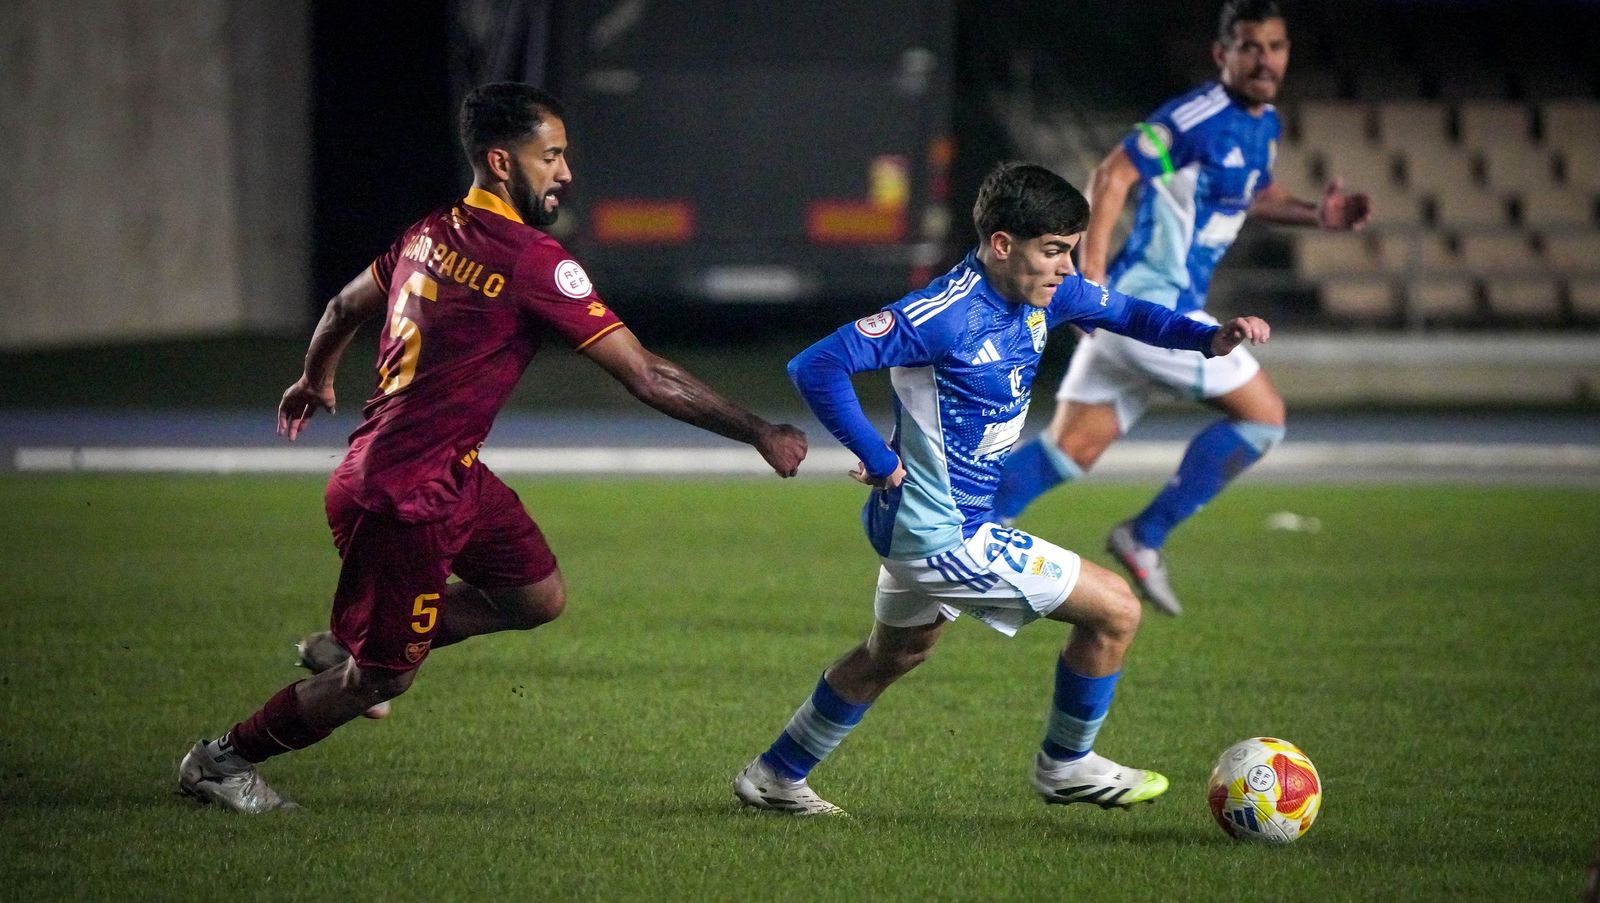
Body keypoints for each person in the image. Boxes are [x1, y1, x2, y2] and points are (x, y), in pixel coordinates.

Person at [177, 82, 808, 813]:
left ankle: (355, 640)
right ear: (502, 163)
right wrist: (760, 431)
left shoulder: (426, 233)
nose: (566, 173)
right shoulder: (531, 260)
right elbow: (646, 373)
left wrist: (315, 377)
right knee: (380, 681)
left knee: (536, 594)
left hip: (443, 474)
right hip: (402, 497)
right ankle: (222, 760)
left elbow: (341, 306)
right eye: (553, 156)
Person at [731, 161, 1270, 815]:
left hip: (927, 523)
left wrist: (1208, 338)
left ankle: (775, 774)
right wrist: (875, 454)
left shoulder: (1050, 292)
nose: (1068, 267)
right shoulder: (943, 314)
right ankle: (1066, 764)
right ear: (1001, 244)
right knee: (1117, 609)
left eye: (1071, 250)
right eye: (1054, 251)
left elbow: (1130, 312)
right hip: (940, 532)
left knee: (896, 652)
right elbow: (816, 364)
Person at [992, 0, 1372, 616]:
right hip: (1149, 307)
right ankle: (1146, 536)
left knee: (1070, 450)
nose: (1265, 59)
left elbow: (1253, 191)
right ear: (1223, 54)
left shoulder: (1262, 123)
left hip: (1140, 314)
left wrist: (1314, 215)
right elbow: (1113, 174)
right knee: (1264, 418)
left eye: (1275, 47)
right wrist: (1090, 280)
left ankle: (957, 538)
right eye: (1250, 47)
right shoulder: (1197, 117)